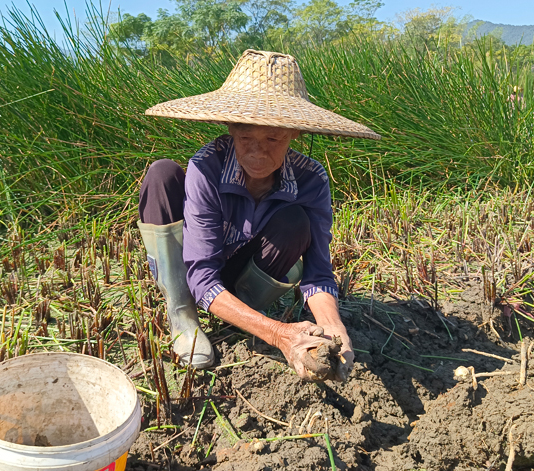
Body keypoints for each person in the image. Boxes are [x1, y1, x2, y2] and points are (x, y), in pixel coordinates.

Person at [137, 50, 380, 382]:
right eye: (245, 137)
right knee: (162, 174)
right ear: (230, 129)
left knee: (296, 221)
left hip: (248, 271)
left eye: (273, 138)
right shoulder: (207, 167)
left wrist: (335, 328)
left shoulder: (311, 179)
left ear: (295, 134)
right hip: (201, 269)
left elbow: (318, 273)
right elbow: (203, 273)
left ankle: (244, 311)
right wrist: (280, 334)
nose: (257, 151)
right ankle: (183, 315)